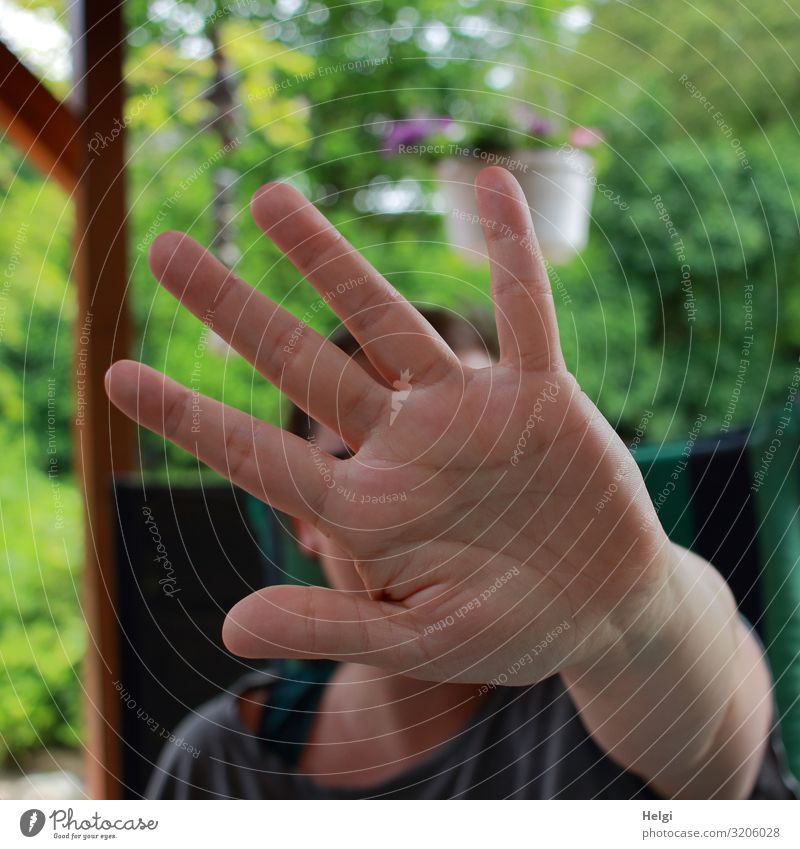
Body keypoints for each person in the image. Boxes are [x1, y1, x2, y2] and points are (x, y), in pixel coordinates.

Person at [106, 167, 798, 799]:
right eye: (352, 457)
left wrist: (634, 619)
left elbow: (711, 747)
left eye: (475, 446)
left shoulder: (600, 694)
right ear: (305, 523)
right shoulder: (219, 767)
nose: (428, 497)